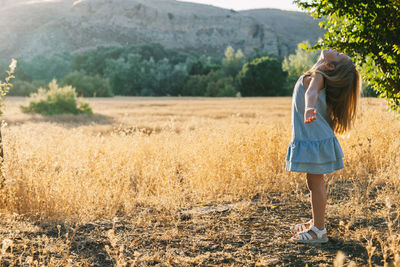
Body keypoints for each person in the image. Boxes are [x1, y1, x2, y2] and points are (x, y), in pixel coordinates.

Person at [285, 49, 362, 243]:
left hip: (315, 138)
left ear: (329, 65)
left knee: (316, 184)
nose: (336, 50)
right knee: (313, 183)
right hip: (313, 137)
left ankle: (319, 231)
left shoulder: (318, 76)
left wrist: (310, 107)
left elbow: (310, 93)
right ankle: (315, 221)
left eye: (338, 54)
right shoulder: (319, 75)